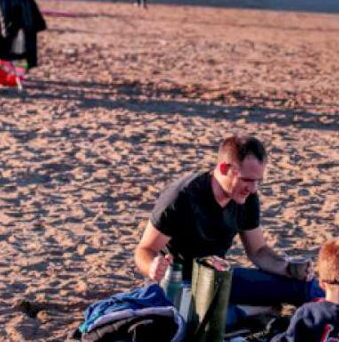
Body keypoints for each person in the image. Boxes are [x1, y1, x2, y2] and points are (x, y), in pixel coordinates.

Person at [134, 136, 323, 328]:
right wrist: (152, 265)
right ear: (224, 168)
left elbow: (258, 251)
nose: (253, 188)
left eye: (258, 181)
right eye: (247, 180)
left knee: (305, 287)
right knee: (202, 323)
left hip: (219, 280)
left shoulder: (246, 196)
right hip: (180, 285)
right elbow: (144, 249)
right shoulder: (182, 197)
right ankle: (250, 310)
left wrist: (288, 268)